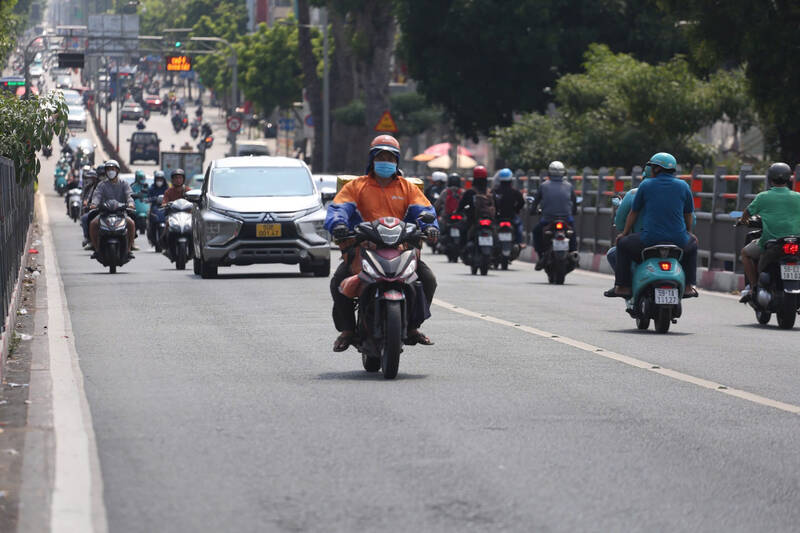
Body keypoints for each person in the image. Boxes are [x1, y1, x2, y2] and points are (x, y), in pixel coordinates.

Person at [324, 134, 439, 352]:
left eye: (390, 157)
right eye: (381, 156)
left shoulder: (407, 188)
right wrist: (338, 224)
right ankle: (348, 330)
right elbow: (339, 208)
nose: (385, 161)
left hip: (401, 248)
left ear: (397, 161)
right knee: (338, 282)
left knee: (428, 280)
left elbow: (424, 210)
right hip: (363, 247)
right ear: (372, 159)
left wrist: (431, 227)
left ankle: (413, 327)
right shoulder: (357, 186)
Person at [604, 152, 699, 299]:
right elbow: (689, 214)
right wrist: (688, 232)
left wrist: (624, 233)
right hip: (678, 240)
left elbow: (633, 213)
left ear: (655, 168)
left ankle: (622, 286)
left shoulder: (646, 185)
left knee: (622, 244)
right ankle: (688, 287)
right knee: (693, 243)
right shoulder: (683, 186)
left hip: (650, 239)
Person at [737, 162, 800, 302]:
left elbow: (747, 213)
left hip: (772, 243)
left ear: (770, 179)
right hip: (796, 243)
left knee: (745, 254)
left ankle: (753, 288)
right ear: (789, 178)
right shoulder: (798, 197)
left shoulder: (763, 197)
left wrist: (743, 221)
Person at [530, 161, 577, 269]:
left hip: (548, 219)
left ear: (549, 173)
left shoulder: (543, 185)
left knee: (536, 232)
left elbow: (536, 202)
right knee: (573, 233)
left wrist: (533, 211)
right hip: (566, 219)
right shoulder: (569, 186)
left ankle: (541, 256)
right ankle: (574, 252)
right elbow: (574, 203)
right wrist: (573, 212)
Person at [89, 160, 136, 257]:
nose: (111, 171)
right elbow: (97, 196)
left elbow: (129, 196)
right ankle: (97, 249)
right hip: (104, 214)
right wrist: (94, 204)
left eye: (112, 169)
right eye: (108, 169)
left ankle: (129, 248)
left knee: (131, 223)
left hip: (121, 214)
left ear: (117, 171)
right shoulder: (102, 185)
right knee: (93, 224)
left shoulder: (124, 184)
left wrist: (130, 203)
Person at [492, 168, 525, 246]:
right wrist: (516, 210)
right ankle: (519, 242)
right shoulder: (515, 192)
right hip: (511, 217)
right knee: (519, 225)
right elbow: (522, 202)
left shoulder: (495, 191)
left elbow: (491, 203)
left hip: (498, 217)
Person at [80, 168, 98, 249]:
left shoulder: (105, 186)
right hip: (95, 209)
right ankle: (89, 238)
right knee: (85, 218)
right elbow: (86, 198)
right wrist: (87, 203)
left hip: (110, 209)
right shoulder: (89, 187)